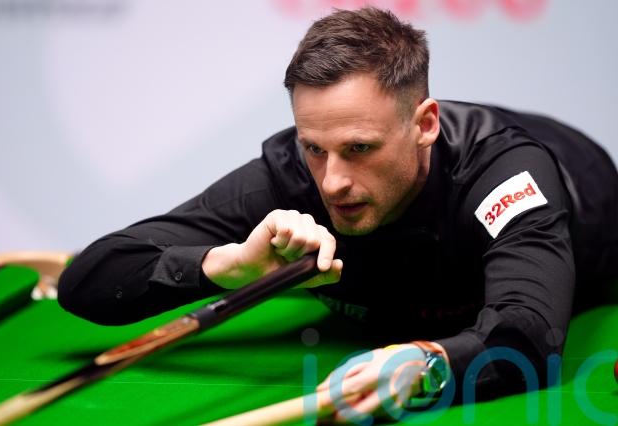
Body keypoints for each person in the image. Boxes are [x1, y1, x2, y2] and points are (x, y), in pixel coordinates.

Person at [58, 7, 618, 424]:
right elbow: (89, 279)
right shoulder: (288, 177)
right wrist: (225, 266)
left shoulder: (502, 178)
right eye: (314, 148)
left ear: (425, 125)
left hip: (593, 214)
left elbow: (529, 334)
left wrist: (431, 361)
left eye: (359, 149)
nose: (331, 182)